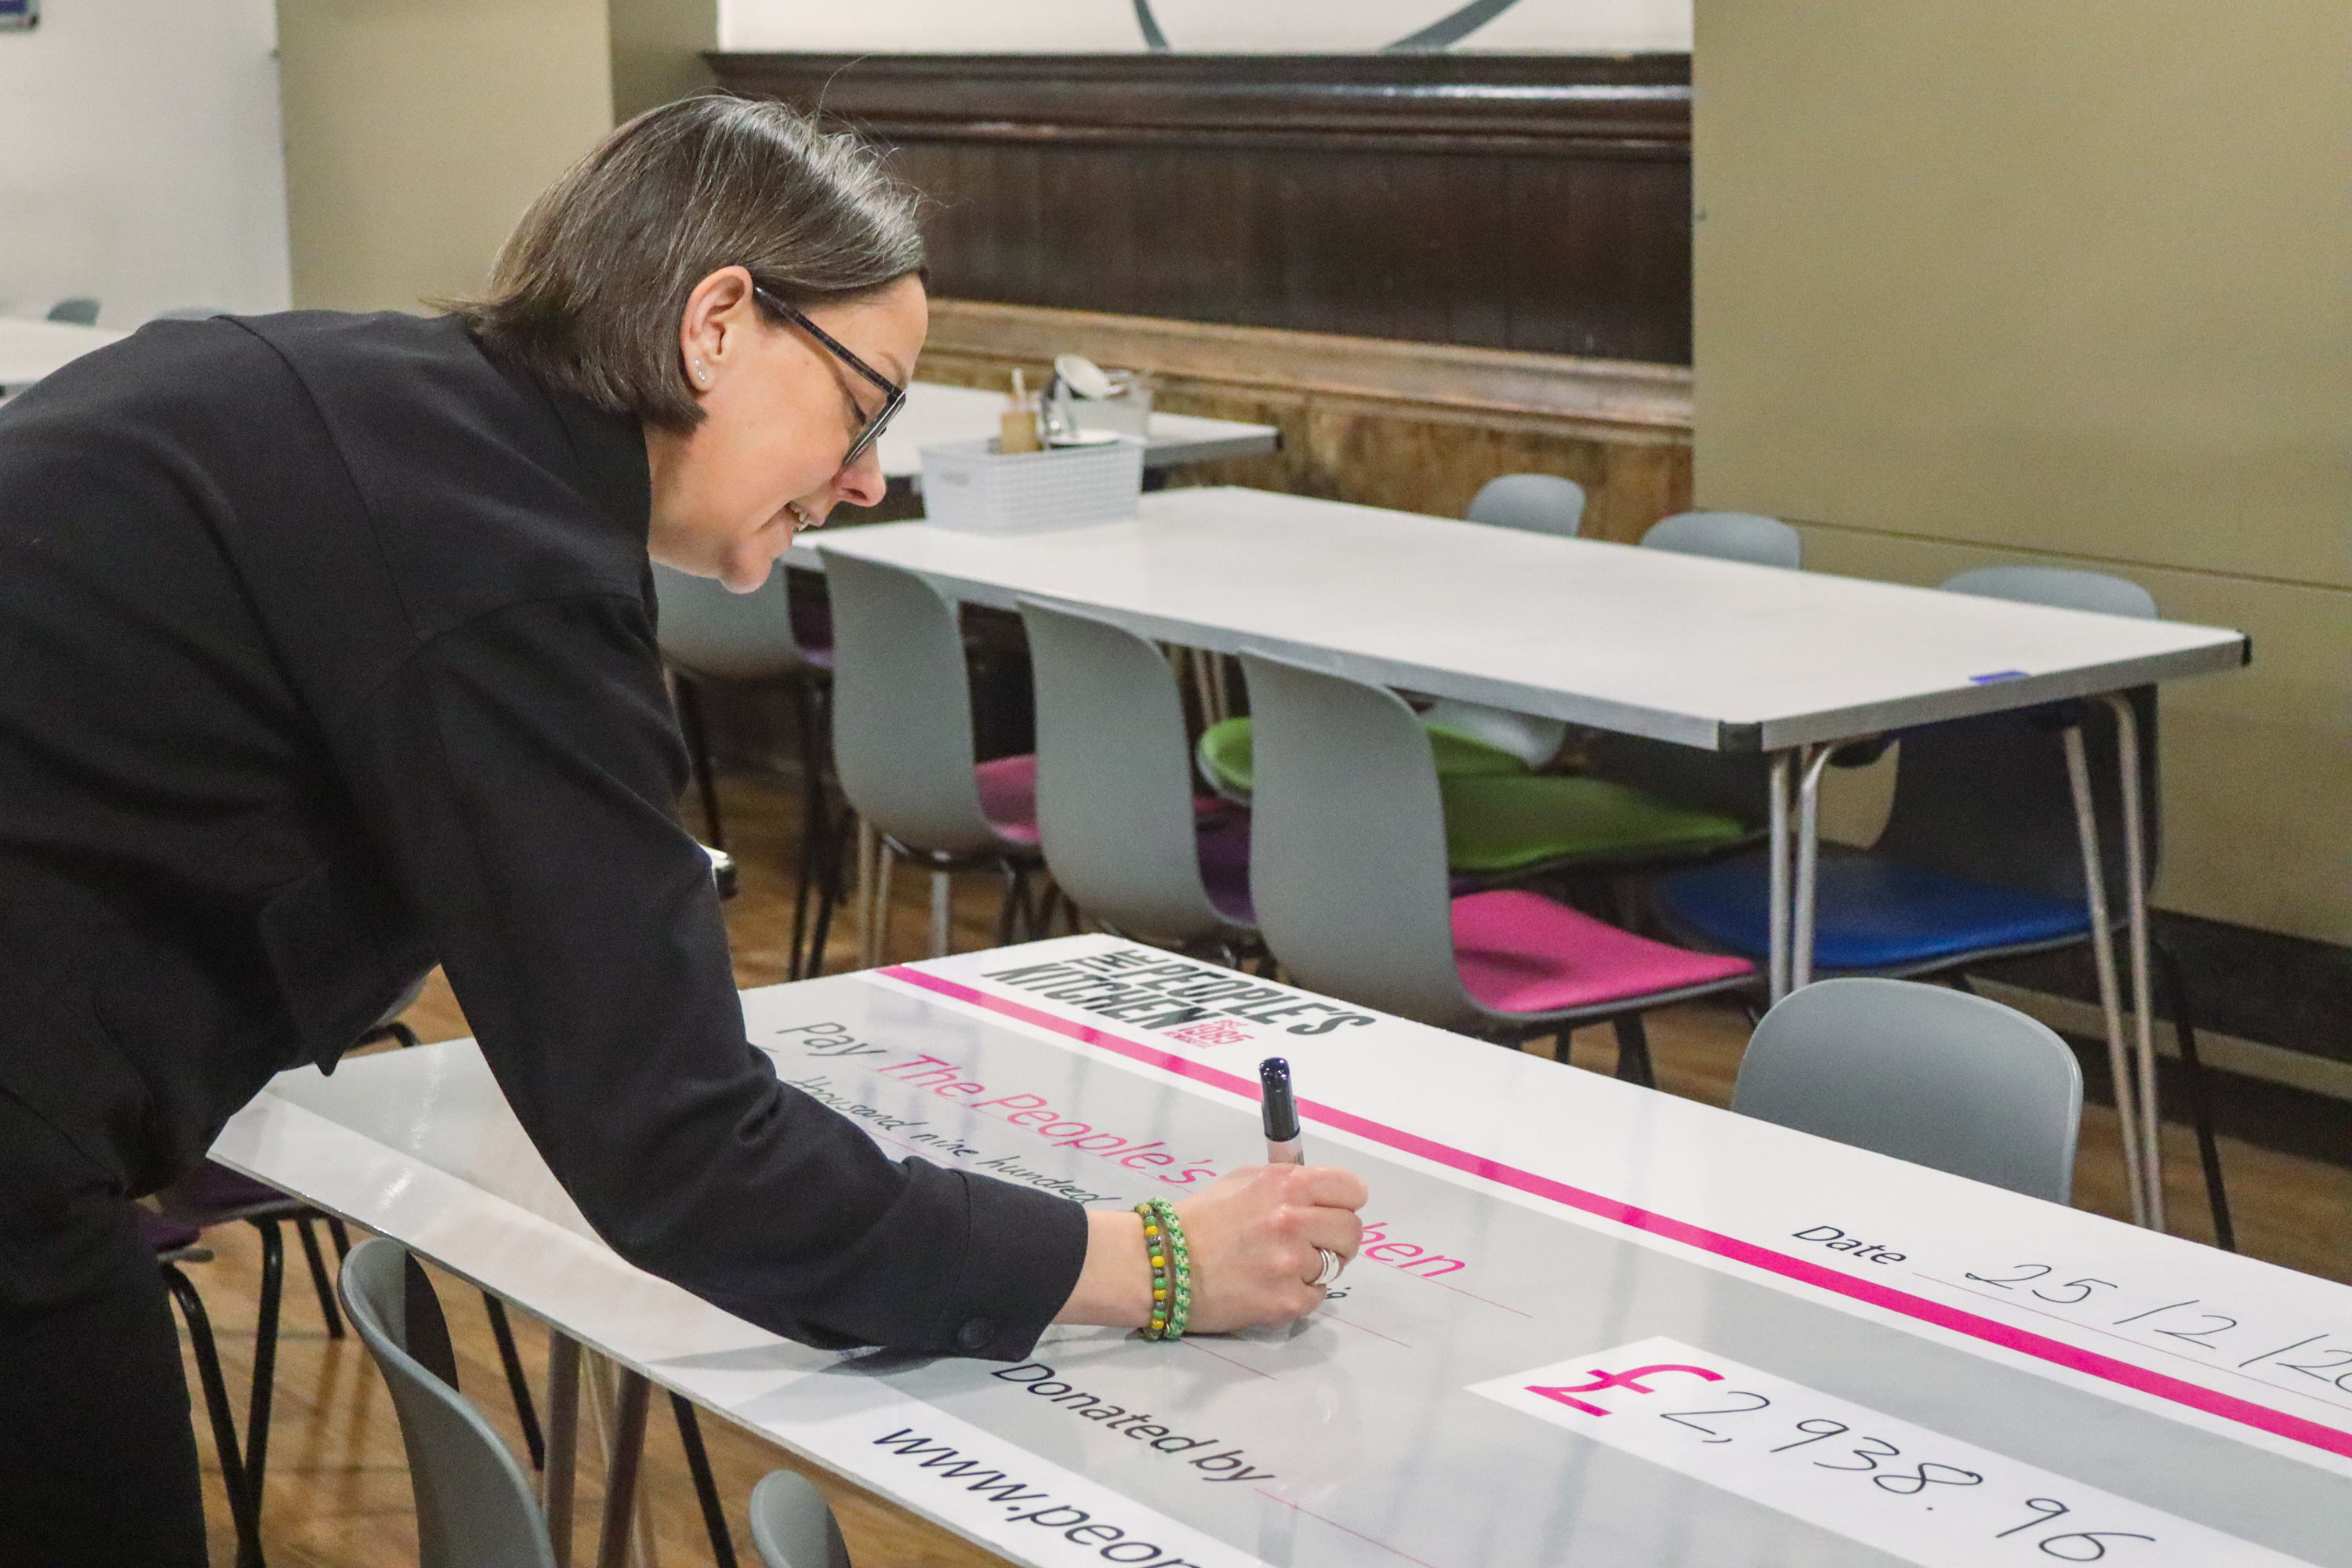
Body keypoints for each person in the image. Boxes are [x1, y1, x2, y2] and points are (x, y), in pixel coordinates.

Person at [0, 96, 1366, 1566]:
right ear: (717, 323)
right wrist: (1152, 1259)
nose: (867, 477)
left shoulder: (372, 404)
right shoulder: (501, 559)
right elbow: (686, 1154)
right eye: (866, 403)